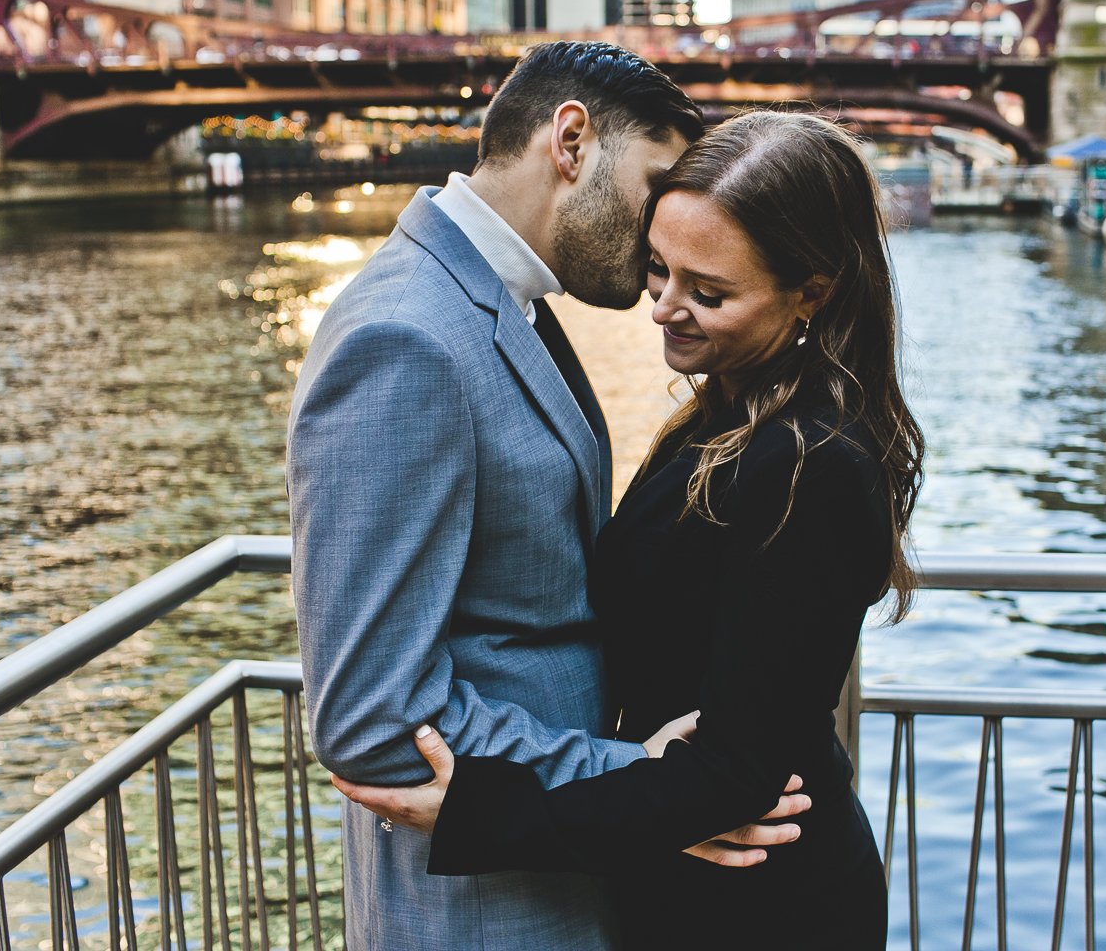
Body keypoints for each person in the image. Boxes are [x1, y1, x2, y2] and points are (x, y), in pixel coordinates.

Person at [334, 110, 927, 948]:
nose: (666, 309)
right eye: (660, 271)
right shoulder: (728, 411)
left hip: (763, 904)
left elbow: (733, 773)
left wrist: (479, 813)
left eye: (709, 292)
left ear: (812, 293)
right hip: (688, 877)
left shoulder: (812, 464)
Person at [288, 43, 803, 951]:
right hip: (485, 909)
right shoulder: (408, 338)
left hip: (550, 878)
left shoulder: (500, 304)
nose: (660, 235)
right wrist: (633, 779)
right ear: (571, 141)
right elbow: (370, 715)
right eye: (653, 186)